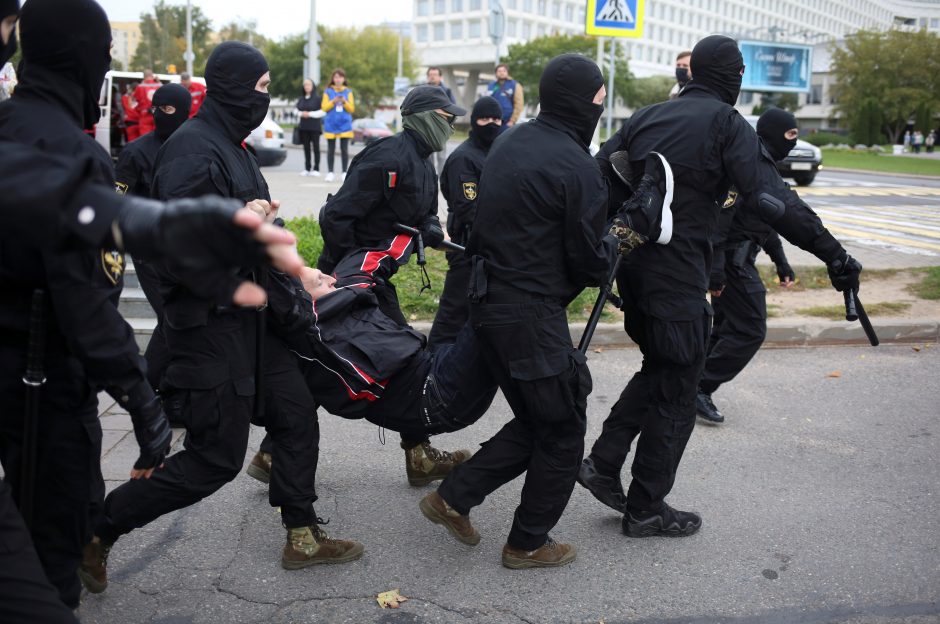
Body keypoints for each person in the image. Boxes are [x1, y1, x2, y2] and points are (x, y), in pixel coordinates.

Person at [79, 41, 358, 591]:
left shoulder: (232, 146)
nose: (266, 97)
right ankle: (99, 528)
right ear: (230, 86)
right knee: (215, 458)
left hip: (253, 321)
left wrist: (300, 276)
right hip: (209, 328)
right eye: (259, 87)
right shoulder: (191, 151)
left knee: (296, 413)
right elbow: (183, 255)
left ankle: (301, 535)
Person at [577, 35, 863, 538]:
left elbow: (597, 181)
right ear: (731, 75)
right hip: (679, 278)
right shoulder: (727, 124)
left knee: (661, 366)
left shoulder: (648, 116)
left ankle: (603, 462)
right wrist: (833, 254)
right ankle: (646, 507)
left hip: (633, 272)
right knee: (679, 390)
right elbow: (775, 202)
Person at [0, 0, 175, 610]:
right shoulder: (77, 160)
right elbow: (88, 306)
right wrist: (142, 401)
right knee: (51, 556)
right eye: (104, 58)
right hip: (40, 392)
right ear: (81, 59)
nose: (105, 73)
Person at [420, 54, 610, 569]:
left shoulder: (510, 141)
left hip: (485, 306)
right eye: (598, 99)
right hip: (528, 315)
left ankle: (453, 497)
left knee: (537, 418)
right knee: (564, 426)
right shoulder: (578, 166)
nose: (600, 107)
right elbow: (589, 259)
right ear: (582, 102)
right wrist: (614, 246)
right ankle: (528, 542)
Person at [317, 84, 472, 487]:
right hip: (348, 280)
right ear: (422, 117)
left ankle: (418, 453)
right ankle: (273, 452)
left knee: (386, 359)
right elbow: (337, 217)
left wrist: (432, 231)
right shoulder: (386, 156)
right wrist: (348, 276)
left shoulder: (424, 162)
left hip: (375, 278)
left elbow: (425, 215)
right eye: (445, 116)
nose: (452, 123)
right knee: (347, 362)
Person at [696, 108, 802, 425]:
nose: (794, 142)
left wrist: (781, 262)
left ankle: (691, 385)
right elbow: (718, 224)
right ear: (772, 134)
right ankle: (699, 387)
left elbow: (765, 221)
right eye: (791, 135)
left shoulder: (763, 167)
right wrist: (715, 271)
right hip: (731, 266)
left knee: (725, 331)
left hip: (739, 262)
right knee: (751, 330)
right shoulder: (745, 167)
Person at [114, 83, 192, 403]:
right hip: (150, 253)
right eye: (155, 109)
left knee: (179, 320)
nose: (160, 115)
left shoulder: (194, 146)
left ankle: (166, 389)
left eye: (169, 109)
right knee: (173, 318)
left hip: (186, 250)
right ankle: (143, 391)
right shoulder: (136, 152)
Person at [427, 96, 503, 350]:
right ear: (474, 121)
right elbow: (469, 208)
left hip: (493, 249)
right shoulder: (464, 158)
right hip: (467, 250)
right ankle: (430, 372)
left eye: (496, 119)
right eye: (485, 119)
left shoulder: (497, 152)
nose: (491, 124)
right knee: (453, 316)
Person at [321, 68, 354, 182]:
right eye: (336, 77)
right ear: (333, 79)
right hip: (331, 124)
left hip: (345, 125)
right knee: (331, 149)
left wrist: (344, 102)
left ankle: (344, 172)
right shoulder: (328, 91)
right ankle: (330, 172)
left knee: (344, 150)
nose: (338, 79)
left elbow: (351, 109)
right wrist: (333, 101)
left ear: (344, 79)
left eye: (340, 77)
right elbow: (324, 108)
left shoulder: (348, 91)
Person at [426, 66, 457, 174]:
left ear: (440, 77)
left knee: (441, 156)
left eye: (435, 75)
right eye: (430, 75)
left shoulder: (447, 91)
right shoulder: (422, 91)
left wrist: (448, 125)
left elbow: (454, 109)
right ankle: (430, 178)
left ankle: (441, 180)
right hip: (426, 128)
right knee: (427, 156)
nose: (432, 77)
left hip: (441, 128)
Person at [296, 77, 322, 176]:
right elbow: (295, 110)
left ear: (313, 86)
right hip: (304, 127)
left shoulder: (318, 98)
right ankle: (307, 168)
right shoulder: (301, 99)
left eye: (309, 84)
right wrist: (301, 114)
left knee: (316, 148)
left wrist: (309, 114)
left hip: (314, 127)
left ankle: (316, 169)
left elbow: (322, 112)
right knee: (306, 148)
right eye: (305, 85)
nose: (307, 86)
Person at [487, 63, 523, 133]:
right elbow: (486, 101)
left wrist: (512, 121)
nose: (501, 73)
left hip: (507, 122)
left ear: (507, 72)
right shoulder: (491, 85)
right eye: (499, 71)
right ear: (496, 73)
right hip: (492, 121)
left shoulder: (515, 85)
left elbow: (519, 104)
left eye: (504, 71)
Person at [133, 69, 161, 137]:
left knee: (145, 138)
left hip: (144, 114)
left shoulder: (140, 86)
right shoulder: (159, 85)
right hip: (157, 114)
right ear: (152, 75)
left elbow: (134, 102)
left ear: (144, 76)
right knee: (158, 137)